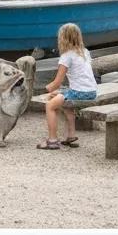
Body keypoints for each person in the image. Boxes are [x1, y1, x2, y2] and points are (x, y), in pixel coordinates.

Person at [38, 22, 97, 150]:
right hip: (91, 91)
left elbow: (57, 82)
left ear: (63, 39)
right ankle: (71, 136)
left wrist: (47, 88)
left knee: (50, 105)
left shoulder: (66, 56)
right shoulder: (85, 52)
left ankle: (52, 140)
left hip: (79, 92)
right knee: (63, 99)